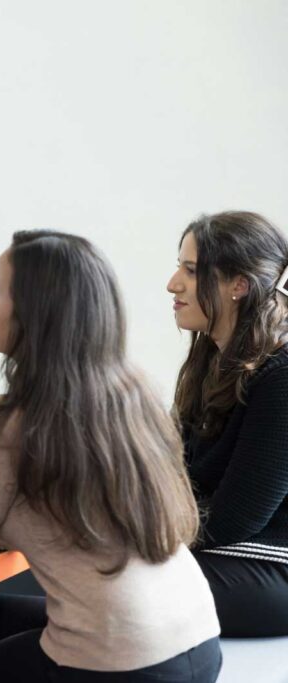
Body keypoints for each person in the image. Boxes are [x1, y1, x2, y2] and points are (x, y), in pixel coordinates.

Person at [0, 231, 221, 682]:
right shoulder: (131, 396)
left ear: (33, 315)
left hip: (122, 663)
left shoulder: (9, 419)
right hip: (197, 640)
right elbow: (64, 522)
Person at [167, 211, 288, 637]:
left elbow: (235, 520)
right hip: (231, 551)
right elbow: (174, 476)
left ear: (239, 285)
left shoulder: (282, 372)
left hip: (273, 563)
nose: (173, 284)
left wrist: (132, 538)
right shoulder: (209, 361)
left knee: (113, 579)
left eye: (192, 271)